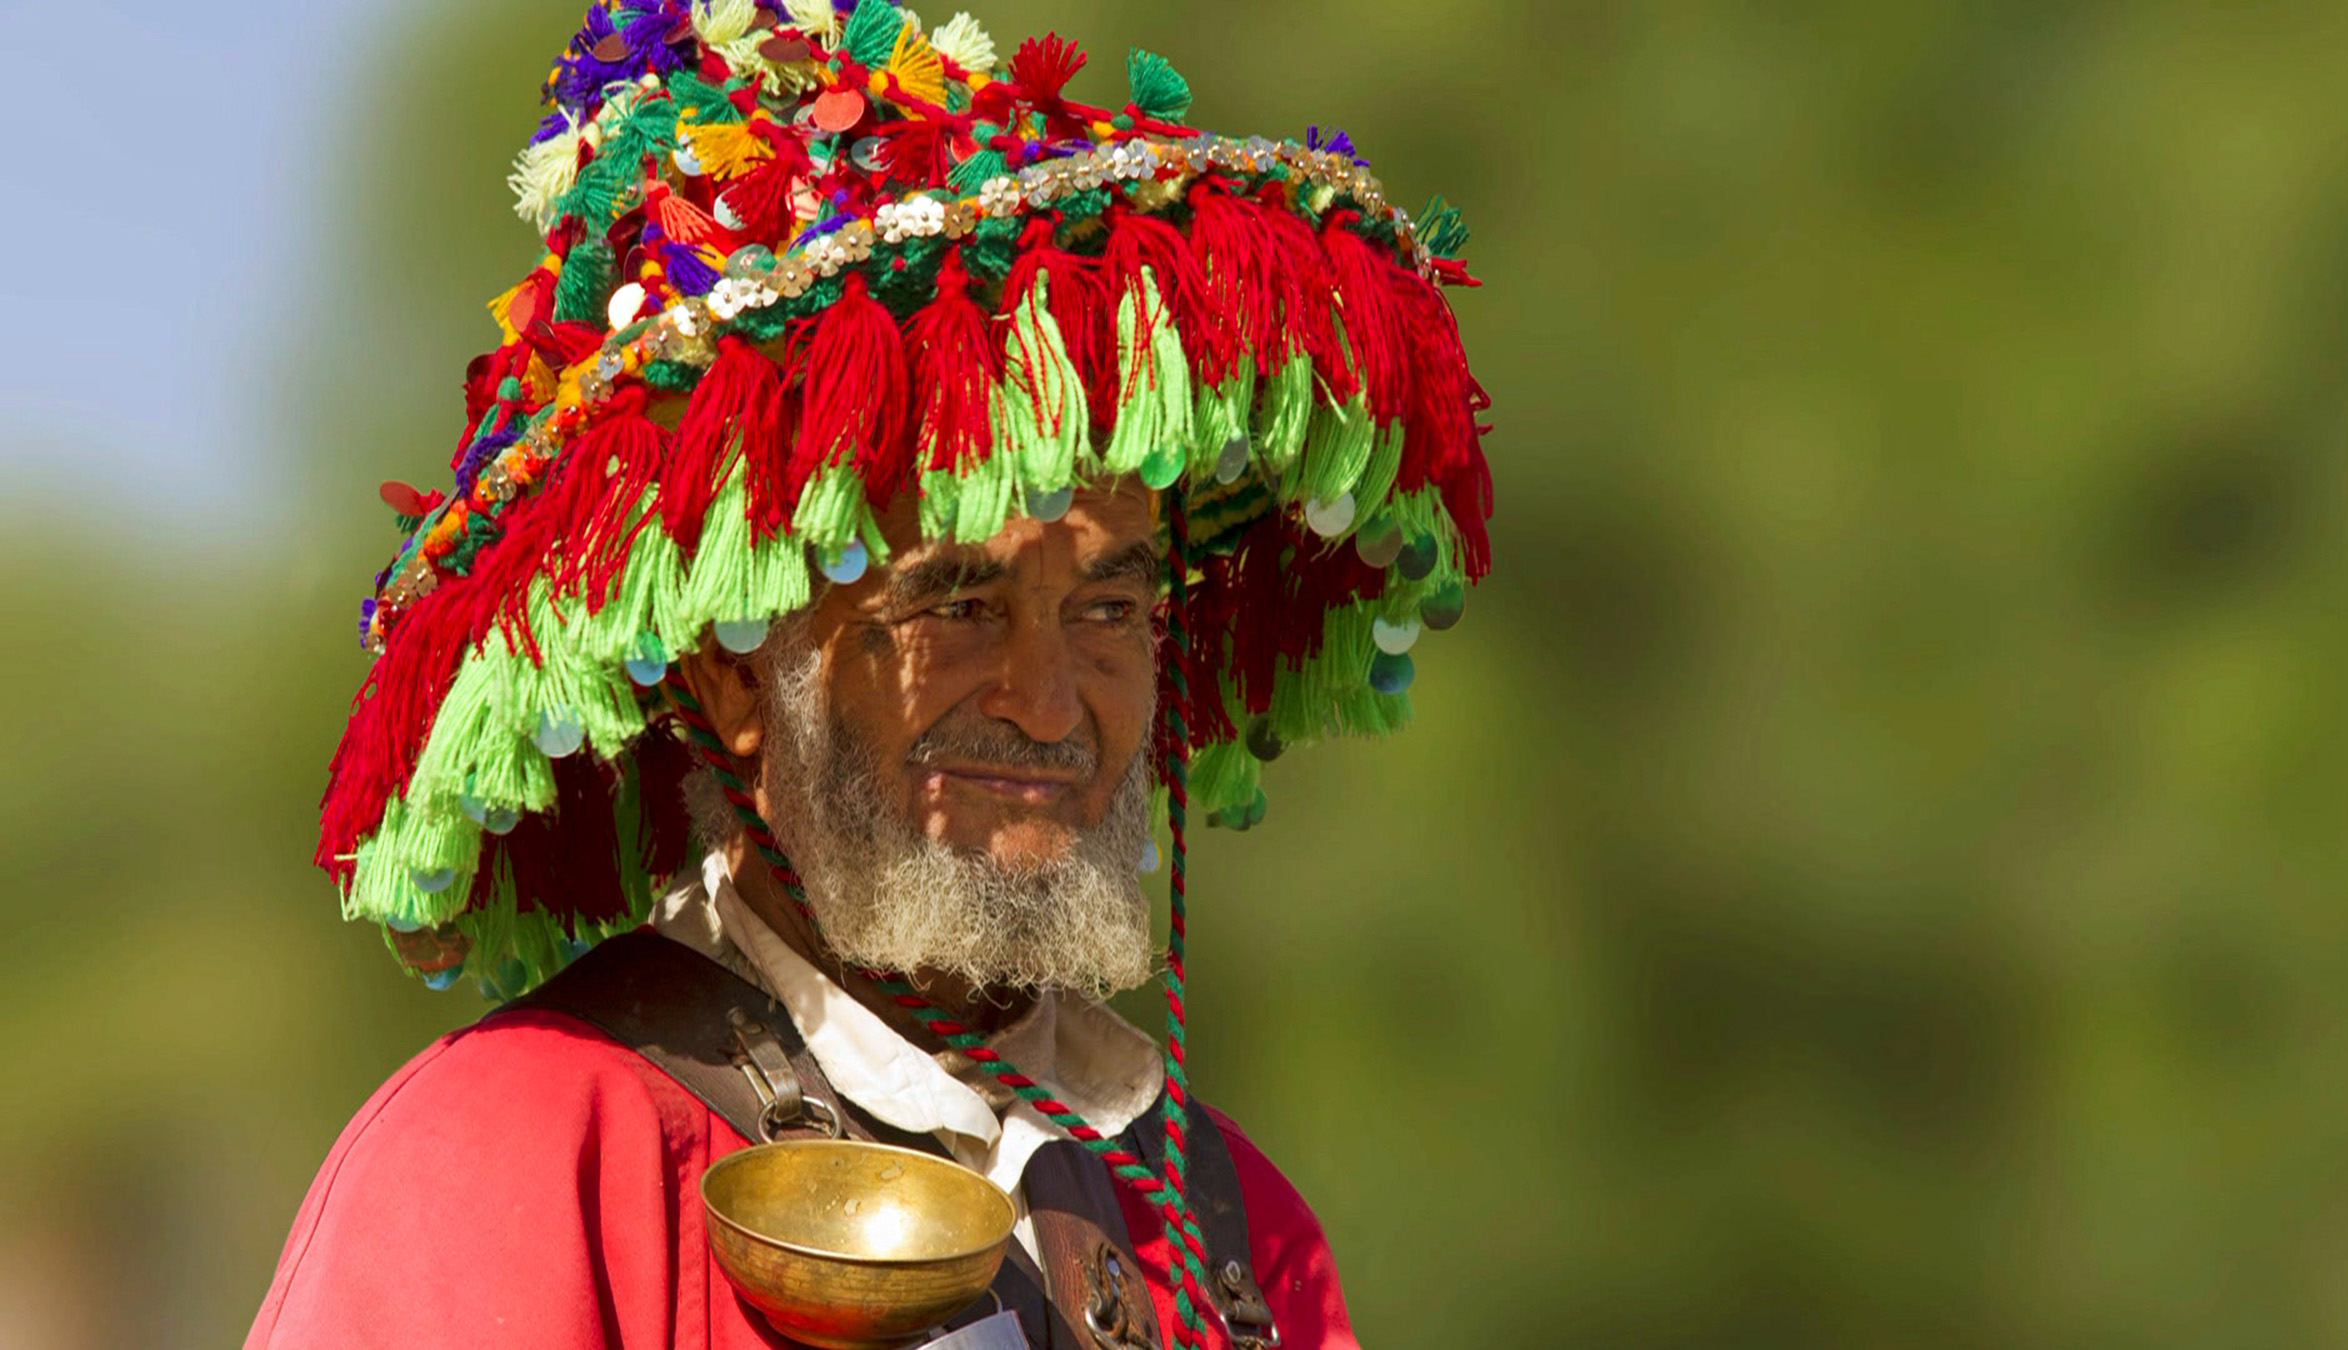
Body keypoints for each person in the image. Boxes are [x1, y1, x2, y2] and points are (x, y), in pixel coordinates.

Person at [249, 2, 1490, 1346]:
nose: (1051, 699)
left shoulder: (1235, 1224)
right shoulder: (522, 1150)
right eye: (956, 600)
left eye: (1110, 606)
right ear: (734, 679)